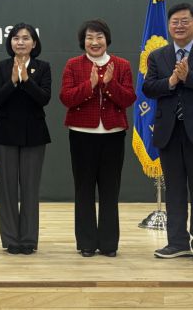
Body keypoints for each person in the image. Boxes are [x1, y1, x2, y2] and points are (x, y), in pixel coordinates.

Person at [143, 3, 193, 264]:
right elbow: (148, 88)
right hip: (169, 132)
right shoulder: (158, 55)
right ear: (169, 26)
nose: (179, 26)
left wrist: (189, 77)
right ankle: (177, 243)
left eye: (184, 21)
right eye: (174, 22)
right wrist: (170, 81)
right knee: (175, 190)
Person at [59, 19, 136, 258]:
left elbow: (129, 98)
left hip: (113, 135)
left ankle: (109, 244)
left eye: (99, 37)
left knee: (110, 191)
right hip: (82, 135)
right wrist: (90, 85)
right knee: (83, 190)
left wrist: (110, 84)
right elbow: (66, 98)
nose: (94, 42)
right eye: (89, 38)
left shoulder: (121, 65)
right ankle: (86, 243)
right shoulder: (73, 65)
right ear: (83, 41)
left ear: (107, 39)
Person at [0, 23, 51, 255]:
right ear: (10, 42)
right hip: (5, 133)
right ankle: (10, 240)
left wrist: (27, 79)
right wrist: (13, 81)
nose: (21, 42)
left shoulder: (43, 67)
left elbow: (44, 98)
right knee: (7, 190)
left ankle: (28, 240)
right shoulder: (2, 66)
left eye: (26, 38)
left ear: (34, 43)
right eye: (16, 38)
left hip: (34, 134)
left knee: (30, 189)